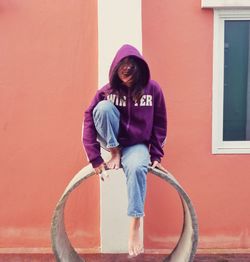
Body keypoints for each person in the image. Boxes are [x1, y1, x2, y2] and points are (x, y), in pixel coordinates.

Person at [82, 44, 167, 257]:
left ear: (139, 70)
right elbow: (89, 118)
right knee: (102, 108)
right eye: (122, 74)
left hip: (137, 144)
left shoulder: (153, 89)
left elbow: (160, 122)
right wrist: (95, 158)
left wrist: (156, 153)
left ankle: (135, 223)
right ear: (116, 71)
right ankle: (115, 152)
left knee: (138, 168)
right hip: (113, 140)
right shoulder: (107, 91)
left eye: (131, 74)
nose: (126, 79)